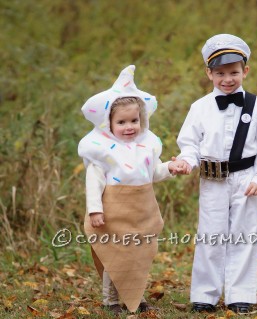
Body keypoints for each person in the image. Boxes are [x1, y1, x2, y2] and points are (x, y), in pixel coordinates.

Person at [175, 34, 257, 313]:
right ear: (209, 73)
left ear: (245, 71)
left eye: (234, 72)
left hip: (246, 179)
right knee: (210, 235)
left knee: (243, 235)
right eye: (220, 73)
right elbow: (190, 144)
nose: (227, 79)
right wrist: (186, 162)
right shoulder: (200, 108)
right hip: (212, 180)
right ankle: (204, 295)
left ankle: (240, 295)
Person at [78, 65, 184, 315]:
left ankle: (135, 296)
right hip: (113, 212)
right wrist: (95, 210)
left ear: (142, 120)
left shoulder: (145, 149)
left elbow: (154, 173)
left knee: (138, 256)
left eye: (134, 121)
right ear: (108, 124)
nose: (129, 127)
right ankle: (111, 300)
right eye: (122, 122)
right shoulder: (103, 153)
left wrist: (171, 167)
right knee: (115, 255)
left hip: (141, 211)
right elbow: (94, 183)